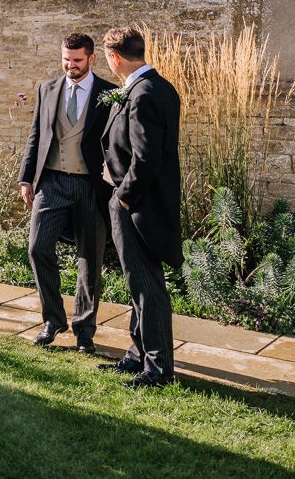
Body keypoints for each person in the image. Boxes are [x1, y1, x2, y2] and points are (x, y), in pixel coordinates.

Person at [17, 32, 117, 353]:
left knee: (90, 258)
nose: (70, 66)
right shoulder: (47, 90)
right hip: (52, 182)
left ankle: (85, 329)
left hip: (91, 186)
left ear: (91, 59)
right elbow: (36, 136)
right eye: (66, 59)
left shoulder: (110, 94)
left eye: (77, 60)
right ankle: (53, 319)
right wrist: (26, 178)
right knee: (37, 247)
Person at [99, 27, 183, 388]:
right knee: (140, 284)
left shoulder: (143, 93)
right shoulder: (158, 86)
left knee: (147, 285)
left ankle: (158, 369)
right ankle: (138, 356)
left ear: (113, 57)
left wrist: (124, 196)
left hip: (137, 205)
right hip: (140, 201)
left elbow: (146, 158)